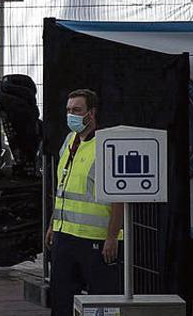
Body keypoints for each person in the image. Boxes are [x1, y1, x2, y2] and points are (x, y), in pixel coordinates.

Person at [46, 89, 123, 316]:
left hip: (95, 240)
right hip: (65, 236)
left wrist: (111, 237)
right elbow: (62, 187)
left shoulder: (105, 146)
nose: (71, 115)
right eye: (69, 110)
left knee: (101, 302)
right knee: (61, 300)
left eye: (77, 110)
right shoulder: (70, 140)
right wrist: (52, 224)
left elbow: (118, 199)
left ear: (91, 113)